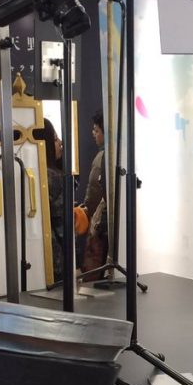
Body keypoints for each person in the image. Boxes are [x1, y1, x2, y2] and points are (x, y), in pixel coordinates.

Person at [80, 112, 108, 278]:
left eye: (97, 130)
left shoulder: (101, 158)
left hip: (100, 220)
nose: (93, 133)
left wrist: (86, 210)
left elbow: (94, 190)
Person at [41, 119, 67, 278]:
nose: (60, 143)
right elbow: (62, 225)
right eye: (56, 139)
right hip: (56, 259)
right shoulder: (55, 178)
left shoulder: (25, 173)